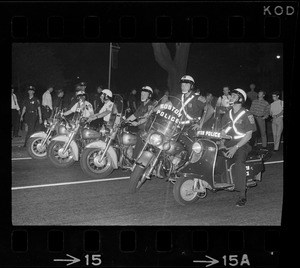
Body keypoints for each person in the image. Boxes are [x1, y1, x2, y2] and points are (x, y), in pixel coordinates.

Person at [219, 88, 257, 207]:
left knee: (239, 161)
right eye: (231, 96)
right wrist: (221, 143)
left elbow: (249, 135)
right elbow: (222, 131)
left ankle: (242, 194)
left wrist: (235, 147)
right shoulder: (227, 114)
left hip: (243, 143)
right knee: (213, 154)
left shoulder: (247, 114)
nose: (230, 98)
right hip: (230, 142)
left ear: (240, 99)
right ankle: (222, 181)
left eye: (233, 96)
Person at [126, 86, 156, 160]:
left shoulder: (151, 105)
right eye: (142, 93)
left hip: (147, 130)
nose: (142, 95)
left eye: (145, 94)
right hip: (141, 128)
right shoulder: (142, 105)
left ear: (149, 95)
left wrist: (137, 123)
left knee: (140, 136)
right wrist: (125, 121)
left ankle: (135, 159)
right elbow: (135, 115)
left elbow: (147, 117)